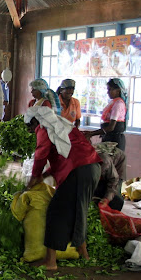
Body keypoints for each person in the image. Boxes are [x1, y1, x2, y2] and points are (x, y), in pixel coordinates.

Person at [25, 105, 101, 271]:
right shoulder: (62, 125)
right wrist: (43, 176)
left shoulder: (43, 128)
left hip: (77, 171)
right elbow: (66, 155)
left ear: (34, 122)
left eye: (31, 128)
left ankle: (50, 261)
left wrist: (33, 177)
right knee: (79, 210)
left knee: (56, 212)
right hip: (92, 168)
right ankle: (84, 254)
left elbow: (41, 154)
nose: (32, 131)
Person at [84, 78, 127, 151]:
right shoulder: (114, 102)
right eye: (108, 90)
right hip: (109, 137)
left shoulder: (118, 104)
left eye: (110, 89)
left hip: (114, 140)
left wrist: (91, 133)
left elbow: (111, 127)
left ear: (118, 90)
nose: (108, 92)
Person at [93, 142, 126, 211]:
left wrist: (106, 199)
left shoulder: (104, 162)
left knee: (115, 195)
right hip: (101, 164)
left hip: (117, 161)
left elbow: (114, 179)